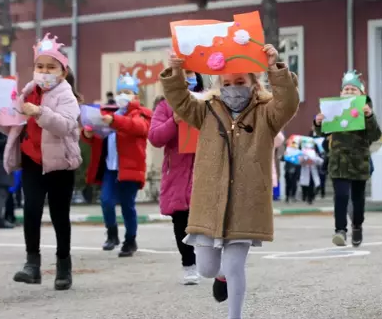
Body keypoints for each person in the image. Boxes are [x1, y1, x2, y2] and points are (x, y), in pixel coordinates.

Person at [160, 44, 299, 319]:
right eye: (227, 83)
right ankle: (219, 276)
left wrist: (275, 68)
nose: (233, 88)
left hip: (246, 204)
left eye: (240, 82)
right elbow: (180, 101)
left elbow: (288, 103)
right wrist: (176, 71)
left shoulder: (266, 113)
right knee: (207, 269)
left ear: (253, 83)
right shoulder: (207, 110)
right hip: (209, 203)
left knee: (236, 266)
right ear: (218, 84)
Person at [0, 33, 81, 291]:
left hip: (60, 163)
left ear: (63, 72)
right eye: (40, 66)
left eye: (51, 67)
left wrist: (40, 112)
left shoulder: (67, 96)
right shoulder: (27, 92)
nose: (44, 72)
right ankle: (32, 265)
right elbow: (15, 128)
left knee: (59, 216)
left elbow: (65, 126)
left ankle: (64, 267)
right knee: (31, 211)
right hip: (32, 161)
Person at [83, 73, 153, 258]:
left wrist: (114, 121)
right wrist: (89, 134)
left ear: (136, 96)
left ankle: (130, 240)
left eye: (128, 92)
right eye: (121, 91)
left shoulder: (142, 114)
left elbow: (137, 127)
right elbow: (100, 139)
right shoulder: (110, 114)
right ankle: (112, 234)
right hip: (110, 168)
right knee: (106, 201)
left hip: (129, 168)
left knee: (127, 205)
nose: (123, 95)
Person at [314, 70, 382, 247]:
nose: (349, 92)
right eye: (346, 90)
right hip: (338, 162)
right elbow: (322, 132)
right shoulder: (334, 110)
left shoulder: (367, 112)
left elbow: (375, 135)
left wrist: (368, 116)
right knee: (341, 196)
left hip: (359, 163)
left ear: (362, 94)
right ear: (340, 93)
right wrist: (318, 122)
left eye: (354, 90)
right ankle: (340, 230)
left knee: (358, 201)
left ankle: (357, 226)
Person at [148, 70, 204, 285]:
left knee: (205, 221)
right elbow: (155, 137)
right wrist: (175, 119)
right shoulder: (165, 105)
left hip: (204, 169)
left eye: (190, 73)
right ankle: (189, 264)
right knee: (181, 221)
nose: (186, 78)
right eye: (182, 73)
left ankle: (207, 259)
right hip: (177, 173)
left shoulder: (208, 101)